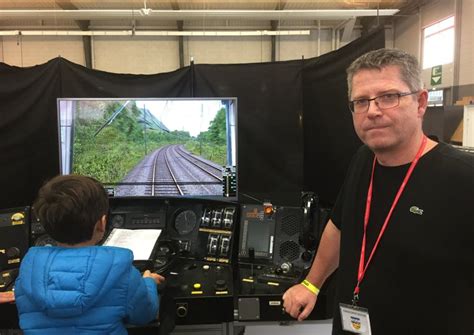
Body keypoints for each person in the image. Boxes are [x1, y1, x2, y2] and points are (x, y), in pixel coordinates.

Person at [283, 48, 474, 334]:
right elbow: (340, 226)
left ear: (421, 102)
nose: (373, 111)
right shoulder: (364, 159)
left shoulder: (463, 177)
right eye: (361, 101)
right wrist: (311, 284)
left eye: (389, 97)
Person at [15, 174, 164, 334]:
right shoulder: (122, 272)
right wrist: (149, 282)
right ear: (101, 224)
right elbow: (145, 314)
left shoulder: (27, 274)